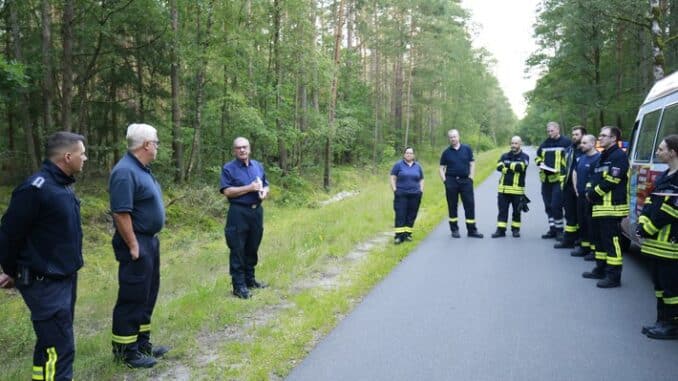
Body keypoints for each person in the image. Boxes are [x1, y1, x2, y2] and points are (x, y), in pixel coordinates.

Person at [0, 132, 87, 381]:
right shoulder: (35, 189)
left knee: (49, 345)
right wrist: (11, 270)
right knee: (59, 350)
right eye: (82, 153)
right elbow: (8, 235)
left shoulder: (62, 185)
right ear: (67, 156)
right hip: (44, 283)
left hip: (63, 278)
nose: (85, 158)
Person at [109, 123, 169, 368]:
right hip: (136, 242)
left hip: (149, 242)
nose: (157, 146)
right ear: (146, 145)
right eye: (155, 142)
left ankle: (142, 343)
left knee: (147, 294)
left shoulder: (142, 169)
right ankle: (126, 352)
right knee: (132, 297)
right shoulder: (124, 171)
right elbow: (121, 213)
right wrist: (134, 245)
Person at [637, 135, 678, 339]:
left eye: (661, 149)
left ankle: (672, 326)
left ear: (672, 152)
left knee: (672, 288)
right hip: (656, 243)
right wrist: (642, 222)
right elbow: (650, 203)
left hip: (671, 243)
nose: (657, 152)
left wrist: (649, 227)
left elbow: (672, 210)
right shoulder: (664, 176)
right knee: (660, 285)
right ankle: (661, 320)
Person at [220, 137, 270, 299]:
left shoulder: (258, 166)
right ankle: (238, 285)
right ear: (234, 151)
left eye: (244, 147)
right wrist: (250, 188)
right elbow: (227, 191)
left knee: (252, 247)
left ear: (249, 149)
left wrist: (264, 192)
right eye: (238, 148)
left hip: (256, 212)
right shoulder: (229, 168)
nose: (242, 150)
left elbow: (265, 184)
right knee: (238, 248)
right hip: (238, 213)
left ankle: (250, 280)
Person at [582, 126, 629, 288]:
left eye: (603, 135)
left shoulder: (619, 156)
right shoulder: (603, 156)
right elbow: (594, 177)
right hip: (598, 207)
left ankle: (614, 276)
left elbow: (612, 180)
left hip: (612, 208)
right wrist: (588, 189)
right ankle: (600, 269)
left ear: (613, 138)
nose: (599, 138)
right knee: (599, 241)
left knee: (611, 242)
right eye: (599, 135)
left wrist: (592, 194)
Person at [439, 129, 483, 238]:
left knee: (469, 205)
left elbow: (472, 163)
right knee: (452, 206)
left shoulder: (467, 149)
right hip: (451, 182)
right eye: (451, 137)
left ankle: (472, 230)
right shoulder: (446, 152)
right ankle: (454, 230)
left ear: (458, 137)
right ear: (449, 139)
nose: (453, 139)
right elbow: (441, 168)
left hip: (465, 181)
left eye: (454, 136)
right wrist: (445, 181)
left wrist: (471, 178)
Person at [535, 121, 571, 240]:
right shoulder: (545, 143)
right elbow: (538, 156)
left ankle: (560, 230)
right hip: (546, 179)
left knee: (556, 205)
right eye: (548, 131)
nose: (550, 133)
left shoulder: (566, 142)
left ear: (558, 130)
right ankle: (552, 229)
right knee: (548, 206)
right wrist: (540, 163)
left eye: (552, 130)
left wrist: (563, 172)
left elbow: (570, 160)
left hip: (559, 179)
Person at [555, 126, 587, 249]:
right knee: (569, 215)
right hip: (568, 187)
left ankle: (581, 240)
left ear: (583, 135)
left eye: (577, 134)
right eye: (573, 134)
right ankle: (569, 240)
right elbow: (563, 167)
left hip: (581, 189)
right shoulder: (568, 150)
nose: (574, 137)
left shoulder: (587, 151)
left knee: (582, 216)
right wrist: (563, 181)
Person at [491, 136, 530, 238]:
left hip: (517, 191)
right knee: (502, 211)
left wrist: (507, 165)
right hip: (503, 190)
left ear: (520, 144)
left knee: (516, 212)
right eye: (512, 143)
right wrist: (511, 166)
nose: (513, 145)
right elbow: (498, 166)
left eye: (516, 143)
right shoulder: (505, 155)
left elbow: (520, 167)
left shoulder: (525, 156)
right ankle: (500, 230)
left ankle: (515, 230)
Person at [570, 135, 600, 260]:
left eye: (584, 142)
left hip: (591, 198)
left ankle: (594, 250)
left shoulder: (598, 158)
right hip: (580, 195)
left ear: (593, 143)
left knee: (592, 224)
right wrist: (576, 188)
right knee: (582, 222)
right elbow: (575, 171)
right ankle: (584, 247)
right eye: (581, 142)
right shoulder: (582, 158)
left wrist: (590, 193)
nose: (581, 145)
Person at [390, 147, 425, 244]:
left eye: (411, 153)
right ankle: (399, 236)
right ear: (404, 154)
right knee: (400, 214)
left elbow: (421, 179)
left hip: (415, 194)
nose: (409, 155)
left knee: (411, 214)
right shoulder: (398, 165)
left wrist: (421, 190)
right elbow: (393, 177)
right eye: (407, 153)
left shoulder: (418, 166)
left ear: (413, 155)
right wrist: (395, 190)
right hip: (401, 194)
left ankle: (407, 234)